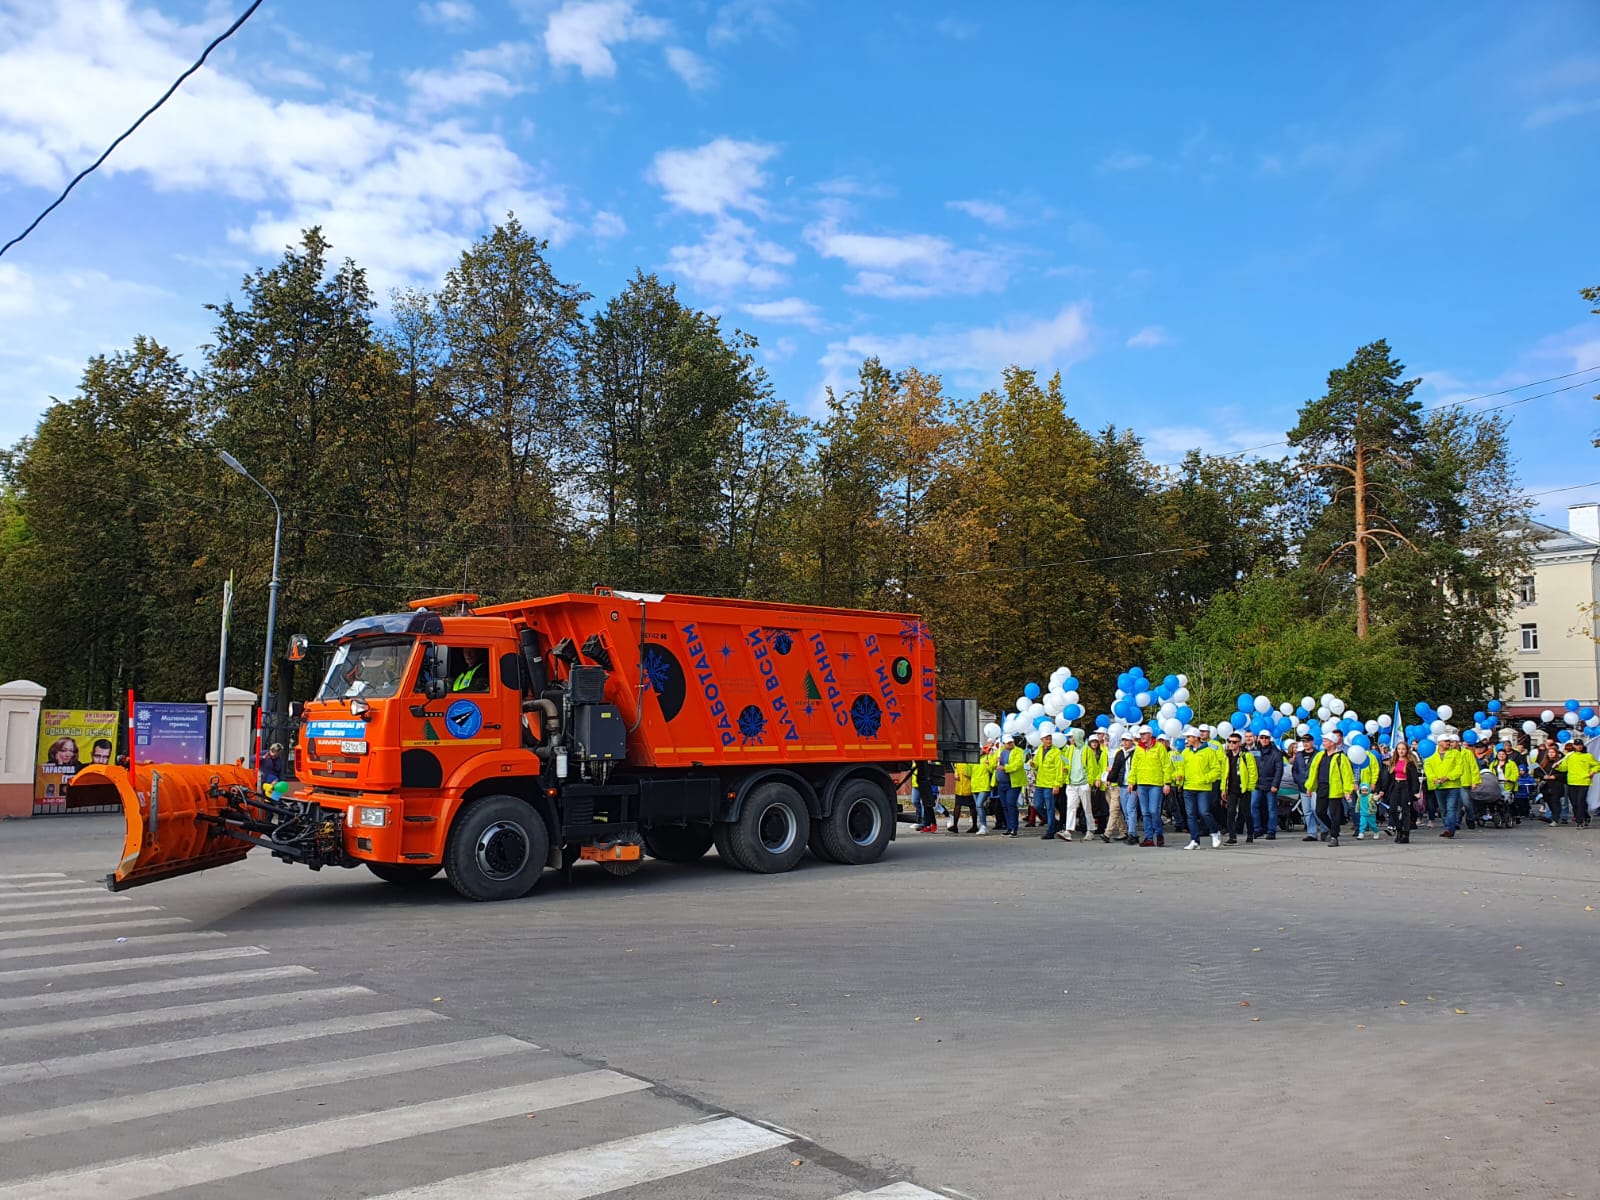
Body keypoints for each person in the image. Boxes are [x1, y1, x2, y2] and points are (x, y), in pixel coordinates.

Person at [1176, 727, 1223, 850]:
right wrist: (1179, 777)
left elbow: (1216, 769)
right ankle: (1194, 840)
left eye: (1189, 737)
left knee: (1204, 812)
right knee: (1190, 815)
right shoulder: (1185, 752)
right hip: (1188, 787)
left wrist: (1206, 778)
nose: (1187, 740)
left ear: (1196, 738)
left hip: (1203, 787)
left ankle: (1214, 832)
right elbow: (1180, 766)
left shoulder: (1209, 751)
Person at [1308, 730, 1356, 847]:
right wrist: (1309, 786)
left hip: (1335, 789)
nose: (1323, 743)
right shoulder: (1319, 755)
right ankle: (1332, 829)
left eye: (1326, 741)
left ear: (1332, 743)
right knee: (1319, 811)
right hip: (1322, 787)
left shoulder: (1341, 757)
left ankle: (1334, 836)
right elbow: (1313, 772)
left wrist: (1347, 790)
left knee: (1335, 814)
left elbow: (1347, 774)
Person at [1127, 726, 1169, 847]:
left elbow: (1166, 765)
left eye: (1144, 734)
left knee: (1154, 811)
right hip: (1142, 783)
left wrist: (1167, 783)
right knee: (1145, 812)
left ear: (1150, 735)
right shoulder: (1138, 749)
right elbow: (1134, 766)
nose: (1142, 736)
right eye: (1141, 734)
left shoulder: (1159, 747)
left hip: (1155, 783)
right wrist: (1131, 781)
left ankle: (1159, 833)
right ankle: (1149, 837)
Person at [1222, 731, 1259, 844]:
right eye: (1229, 742)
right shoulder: (1227, 756)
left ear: (1239, 743)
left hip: (1244, 788)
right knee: (1231, 812)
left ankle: (1250, 833)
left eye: (1234, 742)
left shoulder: (1246, 756)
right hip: (1232, 789)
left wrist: (1250, 787)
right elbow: (1224, 774)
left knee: (1246, 812)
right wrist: (1223, 789)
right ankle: (1232, 837)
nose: (1231, 744)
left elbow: (1253, 772)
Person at [1427, 731, 1464, 838]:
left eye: (1449, 741)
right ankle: (1447, 826)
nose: (1449, 743)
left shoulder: (1456, 753)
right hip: (1439, 786)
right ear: (1439, 743)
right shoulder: (1432, 754)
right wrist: (1434, 779)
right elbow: (1428, 768)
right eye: (1446, 741)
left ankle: (1449, 829)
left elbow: (1459, 768)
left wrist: (1448, 777)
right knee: (1443, 809)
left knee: (1451, 808)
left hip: (1453, 786)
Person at [1060, 729, 1095, 842]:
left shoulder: (1087, 750)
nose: (1070, 739)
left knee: (1087, 807)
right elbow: (1068, 763)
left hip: (1083, 783)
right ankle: (1068, 831)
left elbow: (1092, 766)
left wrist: (1090, 781)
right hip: (1071, 783)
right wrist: (1066, 770)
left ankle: (1090, 830)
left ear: (1077, 737)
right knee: (1070, 807)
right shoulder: (1070, 749)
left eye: (1072, 737)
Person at [1554, 740, 1599, 828]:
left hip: (1584, 781)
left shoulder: (1588, 756)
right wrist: (1558, 767)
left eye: (1580, 745)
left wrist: (1593, 771)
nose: (1579, 747)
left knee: (1580, 801)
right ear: (1574, 746)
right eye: (1577, 745)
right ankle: (1586, 816)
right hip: (1571, 782)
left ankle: (1580, 821)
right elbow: (1564, 768)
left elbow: (1597, 765)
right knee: (1574, 803)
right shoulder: (1570, 756)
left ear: (1582, 746)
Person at [1251, 730, 1283, 840]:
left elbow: (1279, 770)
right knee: (1253, 806)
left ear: (1270, 739)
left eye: (1266, 738)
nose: (1264, 740)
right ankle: (1257, 829)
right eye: (1262, 737)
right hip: (1257, 784)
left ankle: (1271, 830)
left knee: (1272, 809)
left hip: (1270, 784)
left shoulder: (1276, 752)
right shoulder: (1255, 751)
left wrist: (1275, 784)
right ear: (1259, 738)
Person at [1035, 730, 1066, 841]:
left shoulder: (1056, 752)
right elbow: (1037, 765)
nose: (1049, 741)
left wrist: (1057, 784)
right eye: (1046, 739)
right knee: (1037, 805)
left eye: (1050, 739)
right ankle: (1055, 823)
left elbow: (1059, 769)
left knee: (1050, 808)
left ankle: (1050, 831)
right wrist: (1033, 765)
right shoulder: (1039, 749)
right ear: (1041, 740)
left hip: (1050, 783)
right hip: (1040, 782)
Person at [1388, 740, 1421, 844]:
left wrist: (1415, 791)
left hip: (1406, 787)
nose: (1401, 751)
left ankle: (1406, 833)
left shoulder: (1410, 763)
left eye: (1403, 749)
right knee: (1392, 810)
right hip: (1396, 786)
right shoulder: (1394, 761)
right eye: (1399, 749)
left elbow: (1414, 778)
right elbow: (1389, 778)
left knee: (1405, 811)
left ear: (1407, 750)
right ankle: (1399, 830)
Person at [1291, 733, 1319, 841]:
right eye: (1303, 742)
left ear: (1312, 742)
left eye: (1307, 741)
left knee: (1316, 809)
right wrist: (1298, 780)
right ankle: (1312, 833)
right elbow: (1295, 770)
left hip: (1314, 787)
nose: (1305, 744)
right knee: (1307, 811)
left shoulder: (1318, 754)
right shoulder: (1299, 755)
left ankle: (1326, 829)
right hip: (1302, 786)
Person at [999, 735, 1026, 837]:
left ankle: (1014, 828)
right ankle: (1009, 827)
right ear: (1004, 744)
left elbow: (1017, 764)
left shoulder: (1018, 751)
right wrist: (993, 760)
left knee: (1011, 804)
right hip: (1001, 783)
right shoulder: (1001, 751)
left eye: (1011, 742)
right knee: (1005, 806)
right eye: (1008, 743)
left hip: (1013, 783)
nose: (1010, 744)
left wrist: (1005, 768)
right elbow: (994, 764)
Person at [970, 742, 994, 836]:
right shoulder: (972, 760)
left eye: (979, 749)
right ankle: (982, 826)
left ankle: (983, 826)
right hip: (975, 786)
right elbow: (968, 773)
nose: (978, 751)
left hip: (984, 786)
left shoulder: (986, 758)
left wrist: (989, 764)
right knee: (978, 807)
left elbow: (992, 769)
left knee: (979, 805)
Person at [949, 760, 978, 833]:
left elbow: (975, 772)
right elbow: (955, 768)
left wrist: (968, 774)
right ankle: (955, 826)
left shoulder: (970, 761)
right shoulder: (958, 761)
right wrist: (955, 774)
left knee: (972, 806)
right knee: (957, 805)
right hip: (959, 788)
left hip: (968, 787)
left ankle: (975, 826)